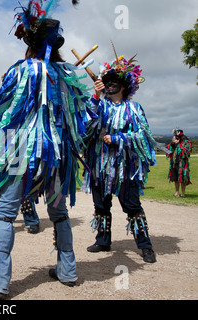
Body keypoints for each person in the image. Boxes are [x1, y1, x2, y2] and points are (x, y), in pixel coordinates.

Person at [0, 0, 87, 299]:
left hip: (20, 152)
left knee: (5, 212)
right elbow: (81, 115)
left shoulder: (20, 70)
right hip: (56, 156)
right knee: (59, 212)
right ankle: (68, 271)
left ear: (28, 42)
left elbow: (0, 111)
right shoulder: (67, 74)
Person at [82, 50, 157, 263]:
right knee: (101, 205)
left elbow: (144, 135)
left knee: (132, 206)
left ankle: (145, 245)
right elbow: (86, 126)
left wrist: (118, 138)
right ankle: (103, 240)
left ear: (125, 86)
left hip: (127, 167)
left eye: (116, 81)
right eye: (108, 81)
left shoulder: (134, 108)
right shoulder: (99, 104)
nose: (111, 84)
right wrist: (95, 96)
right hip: (100, 165)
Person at [167, 129, 192, 198]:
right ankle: (177, 193)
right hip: (174, 162)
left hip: (182, 164)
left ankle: (183, 194)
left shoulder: (186, 143)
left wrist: (178, 144)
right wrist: (173, 143)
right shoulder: (173, 143)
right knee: (175, 179)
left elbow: (185, 153)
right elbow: (169, 151)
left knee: (182, 178)